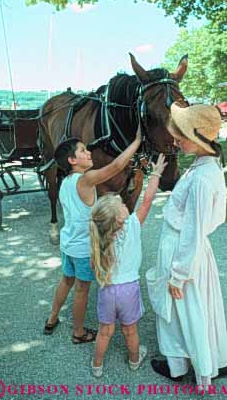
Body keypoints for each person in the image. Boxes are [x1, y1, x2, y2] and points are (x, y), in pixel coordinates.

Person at [148, 104, 227, 387]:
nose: (175, 139)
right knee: (197, 308)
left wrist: (179, 274)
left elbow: (193, 232)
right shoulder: (205, 166)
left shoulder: (202, 179)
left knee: (180, 311)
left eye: (181, 134)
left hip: (182, 250)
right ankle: (205, 360)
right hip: (188, 249)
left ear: (198, 138)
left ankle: (180, 366)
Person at [44, 128, 141, 344]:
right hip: (81, 248)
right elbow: (115, 167)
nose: (88, 153)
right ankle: (78, 332)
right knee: (81, 290)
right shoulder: (85, 180)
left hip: (68, 243)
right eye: (83, 151)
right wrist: (136, 142)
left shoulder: (66, 181)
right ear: (72, 160)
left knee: (66, 280)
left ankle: (51, 319)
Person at [89, 154, 167, 377]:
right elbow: (147, 200)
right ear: (119, 218)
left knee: (105, 331)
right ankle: (134, 360)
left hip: (107, 289)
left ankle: (97, 365)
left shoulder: (99, 239)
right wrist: (156, 173)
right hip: (128, 290)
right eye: (121, 205)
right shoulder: (132, 226)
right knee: (129, 330)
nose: (124, 204)